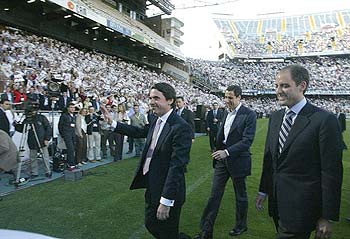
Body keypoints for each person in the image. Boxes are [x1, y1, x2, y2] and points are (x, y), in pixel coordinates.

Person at [256, 65, 343, 239]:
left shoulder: (325, 120)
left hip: (303, 208)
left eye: (285, 86)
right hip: (277, 204)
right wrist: (264, 190)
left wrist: (326, 216)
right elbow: (270, 159)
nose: (278, 91)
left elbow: (331, 172)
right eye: (276, 86)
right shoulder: (275, 117)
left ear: (302, 86)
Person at [102, 82, 192, 239]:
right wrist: (113, 123)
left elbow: (177, 167)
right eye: (150, 98)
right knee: (151, 224)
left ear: (170, 100)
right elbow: (138, 131)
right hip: (152, 184)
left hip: (168, 191)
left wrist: (166, 201)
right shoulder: (155, 119)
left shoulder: (180, 127)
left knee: (167, 233)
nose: (151, 101)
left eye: (156, 98)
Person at [195, 85, 257, 239]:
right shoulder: (225, 113)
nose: (227, 100)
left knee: (240, 196)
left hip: (238, 161)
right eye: (225, 97)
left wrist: (227, 152)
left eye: (230, 97)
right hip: (222, 162)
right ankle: (206, 232)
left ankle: (241, 225)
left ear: (239, 97)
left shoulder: (249, 115)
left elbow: (247, 141)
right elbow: (223, 136)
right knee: (214, 196)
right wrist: (219, 150)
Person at [15, 102, 52, 178]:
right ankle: (34, 172)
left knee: (45, 157)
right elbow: (23, 129)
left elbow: (48, 128)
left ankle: (48, 171)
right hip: (32, 141)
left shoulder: (41, 117)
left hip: (42, 140)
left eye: (34, 110)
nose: (32, 112)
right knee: (33, 157)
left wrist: (47, 139)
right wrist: (16, 125)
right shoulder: (27, 119)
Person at [58, 103, 77, 170]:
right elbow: (60, 125)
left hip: (72, 134)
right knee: (70, 149)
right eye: (71, 107)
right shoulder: (64, 115)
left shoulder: (74, 116)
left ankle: (72, 162)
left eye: (73, 107)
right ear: (68, 108)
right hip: (67, 134)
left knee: (72, 149)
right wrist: (63, 135)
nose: (72, 109)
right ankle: (70, 164)